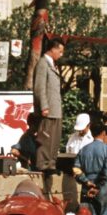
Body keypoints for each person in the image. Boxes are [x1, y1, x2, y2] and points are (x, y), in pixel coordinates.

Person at [33, 38, 64, 194]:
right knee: (45, 139)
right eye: (60, 50)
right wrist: (44, 106)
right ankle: (43, 165)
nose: (61, 54)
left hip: (55, 109)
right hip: (48, 110)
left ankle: (50, 164)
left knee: (54, 140)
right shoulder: (43, 64)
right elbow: (39, 87)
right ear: (52, 49)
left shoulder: (53, 65)